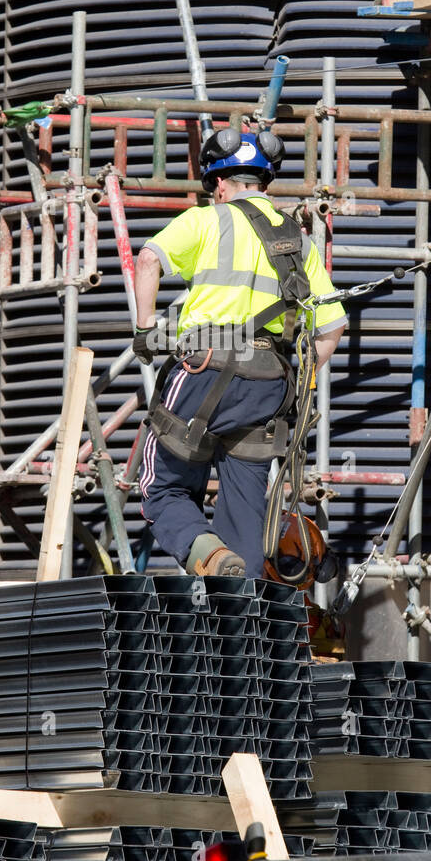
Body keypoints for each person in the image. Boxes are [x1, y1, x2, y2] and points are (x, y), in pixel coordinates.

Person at [132, 127, 346, 579]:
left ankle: (208, 555)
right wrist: (300, 384)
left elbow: (148, 259)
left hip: (205, 367)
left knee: (161, 485)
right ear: (264, 184)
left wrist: (146, 329)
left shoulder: (208, 219)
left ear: (220, 184)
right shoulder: (299, 242)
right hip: (269, 381)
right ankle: (241, 617)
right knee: (246, 512)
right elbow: (332, 328)